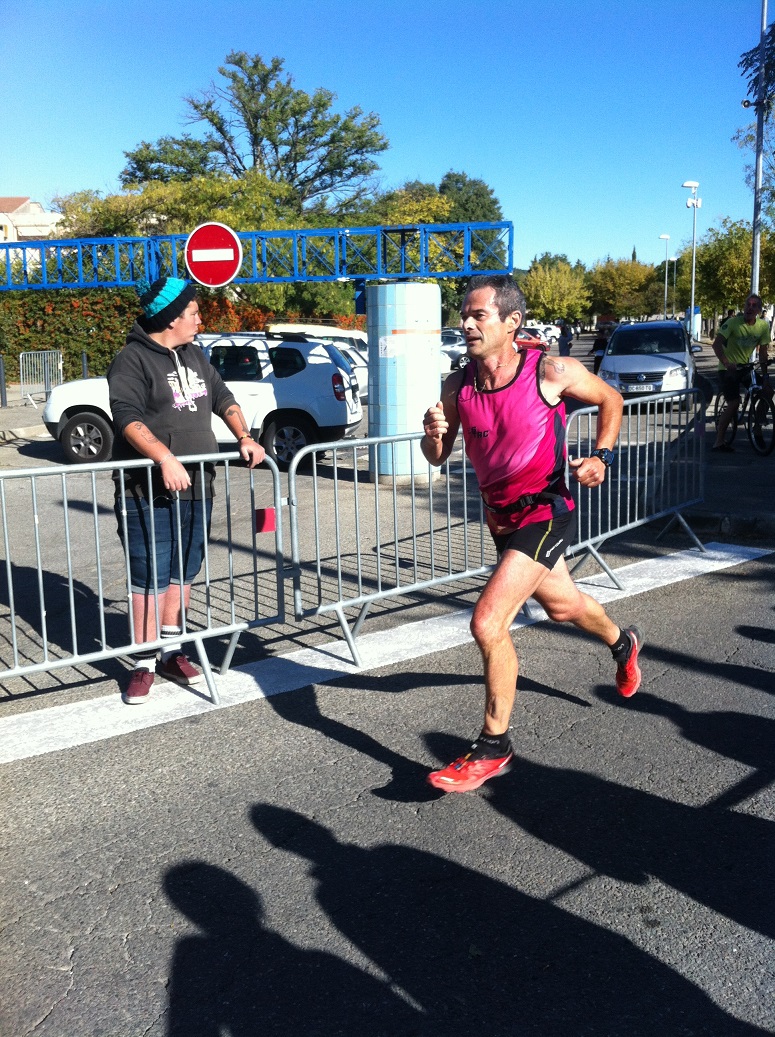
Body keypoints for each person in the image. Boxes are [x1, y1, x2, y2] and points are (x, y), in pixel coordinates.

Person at [421, 274, 643, 793]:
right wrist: (432, 437)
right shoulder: (458, 386)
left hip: (546, 511)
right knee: (563, 607)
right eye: (464, 314)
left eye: (479, 315)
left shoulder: (550, 370)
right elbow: (438, 456)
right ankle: (622, 642)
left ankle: (493, 746)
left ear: (511, 322)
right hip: (501, 520)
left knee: (487, 622)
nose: (467, 323)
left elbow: (612, 400)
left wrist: (602, 457)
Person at [108, 277, 265, 705]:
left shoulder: (195, 354)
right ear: (172, 318)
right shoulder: (131, 360)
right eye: (194, 312)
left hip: (199, 485)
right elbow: (125, 417)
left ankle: (171, 651)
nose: (200, 318)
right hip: (146, 492)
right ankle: (143, 661)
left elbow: (221, 395)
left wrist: (244, 436)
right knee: (148, 574)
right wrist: (164, 458)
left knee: (183, 569)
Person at [711, 293, 771, 452]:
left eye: (754, 305)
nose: (749, 308)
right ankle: (719, 441)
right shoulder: (732, 323)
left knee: (767, 391)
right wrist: (726, 362)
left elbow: (763, 353)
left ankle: (757, 428)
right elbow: (716, 345)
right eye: (747, 304)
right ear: (744, 307)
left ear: (759, 310)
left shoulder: (763, 326)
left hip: (746, 368)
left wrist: (765, 377)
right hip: (728, 369)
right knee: (734, 402)